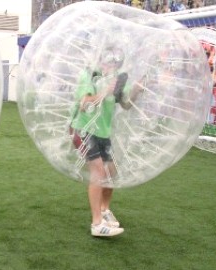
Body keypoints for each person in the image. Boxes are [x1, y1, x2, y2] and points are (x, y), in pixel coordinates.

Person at [70, 46, 144, 237]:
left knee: (111, 173)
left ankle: (104, 210)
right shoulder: (90, 75)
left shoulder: (117, 80)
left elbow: (126, 104)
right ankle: (96, 224)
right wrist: (104, 91)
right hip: (83, 129)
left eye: (115, 62)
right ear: (101, 60)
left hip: (102, 133)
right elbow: (85, 104)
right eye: (108, 60)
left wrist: (136, 91)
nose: (111, 65)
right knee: (99, 171)